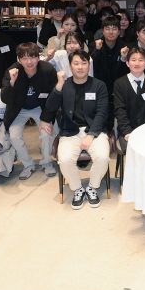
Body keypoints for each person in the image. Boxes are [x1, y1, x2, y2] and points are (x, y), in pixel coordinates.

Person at [42, 51, 110, 210]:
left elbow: (102, 113)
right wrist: (59, 86)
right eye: (76, 63)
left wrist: (91, 135)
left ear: (89, 65)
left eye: (84, 63)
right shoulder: (64, 85)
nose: (80, 67)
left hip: (94, 130)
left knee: (102, 157)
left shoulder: (99, 85)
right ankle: (78, 188)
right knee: (65, 160)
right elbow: (50, 107)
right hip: (70, 132)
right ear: (70, 66)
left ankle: (92, 187)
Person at [1, 42, 58, 179]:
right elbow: (5, 98)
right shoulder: (12, 71)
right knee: (14, 136)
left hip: (41, 107)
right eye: (24, 58)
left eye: (32, 57)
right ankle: (28, 165)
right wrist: (12, 82)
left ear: (38, 57)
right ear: (19, 59)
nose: (29, 62)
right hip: (19, 109)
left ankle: (46, 162)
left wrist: (46, 118)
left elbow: (54, 96)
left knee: (46, 133)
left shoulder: (47, 70)